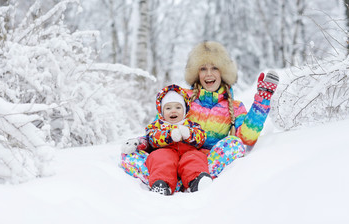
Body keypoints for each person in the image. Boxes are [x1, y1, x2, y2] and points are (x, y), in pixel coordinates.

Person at [120, 41, 279, 192]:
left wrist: (261, 101)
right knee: (130, 155)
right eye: (203, 69)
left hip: (204, 162)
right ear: (196, 72)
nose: (208, 74)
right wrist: (139, 143)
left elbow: (247, 139)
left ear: (223, 71)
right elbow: (158, 127)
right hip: (169, 159)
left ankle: (197, 179)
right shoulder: (181, 99)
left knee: (234, 144)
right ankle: (164, 180)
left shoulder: (235, 107)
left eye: (214, 68)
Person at [144, 84, 211, 195]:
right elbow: (151, 137)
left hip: (188, 152)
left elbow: (201, 137)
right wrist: (168, 136)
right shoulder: (158, 125)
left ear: (184, 110)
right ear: (161, 111)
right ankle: (161, 183)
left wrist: (189, 134)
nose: (173, 111)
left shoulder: (190, 124)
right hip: (167, 151)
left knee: (195, 158)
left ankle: (196, 180)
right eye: (168, 108)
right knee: (160, 158)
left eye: (178, 107)